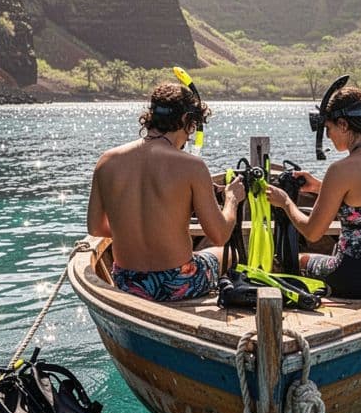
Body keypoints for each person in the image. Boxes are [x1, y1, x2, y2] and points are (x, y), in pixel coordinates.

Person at [86, 82, 245, 302]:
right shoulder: (192, 166)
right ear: (186, 120)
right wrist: (232, 199)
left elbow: (95, 228)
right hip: (179, 282)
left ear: (151, 116)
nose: (189, 136)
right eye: (193, 126)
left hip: (129, 282)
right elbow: (219, 235)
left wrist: (138, 232)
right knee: (230, 255)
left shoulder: (106, 161)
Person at [265, 85, 361, 298]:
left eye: (329, 128)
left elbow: (312, 232)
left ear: (343, 125)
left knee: (294, 261)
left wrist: (286, 202)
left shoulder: (340, 170)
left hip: (355, 279)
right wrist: (318, 186)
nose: (329, 137)